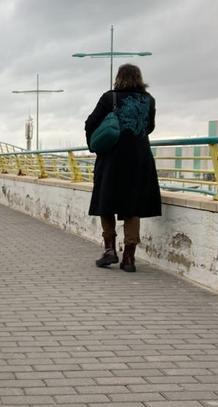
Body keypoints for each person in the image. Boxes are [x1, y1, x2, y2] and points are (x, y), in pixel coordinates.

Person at [85, 64, 161, 273]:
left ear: (119, 78)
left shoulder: (110, 98)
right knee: (132, 206)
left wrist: (96, 144)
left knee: (106, 202)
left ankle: (110, 250)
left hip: (112, 158)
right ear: (139, 78)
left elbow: (90, 122)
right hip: (139, 159)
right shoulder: (148, 100)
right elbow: (150, 127)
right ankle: (129, 257)